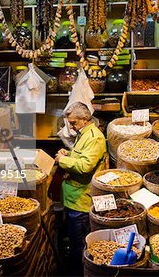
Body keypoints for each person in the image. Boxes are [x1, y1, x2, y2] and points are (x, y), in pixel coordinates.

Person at [55, 102, 107, 275]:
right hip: (74, 197)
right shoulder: (83, 134)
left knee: (80, 245)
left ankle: (79, 273)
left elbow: (85, 166)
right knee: (75, 240)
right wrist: (68, 154)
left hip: (82, 201)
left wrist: (62, 161)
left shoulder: (94, 137)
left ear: (85, 119)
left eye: (74, 122)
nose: (71, 126)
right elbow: (81, 156)